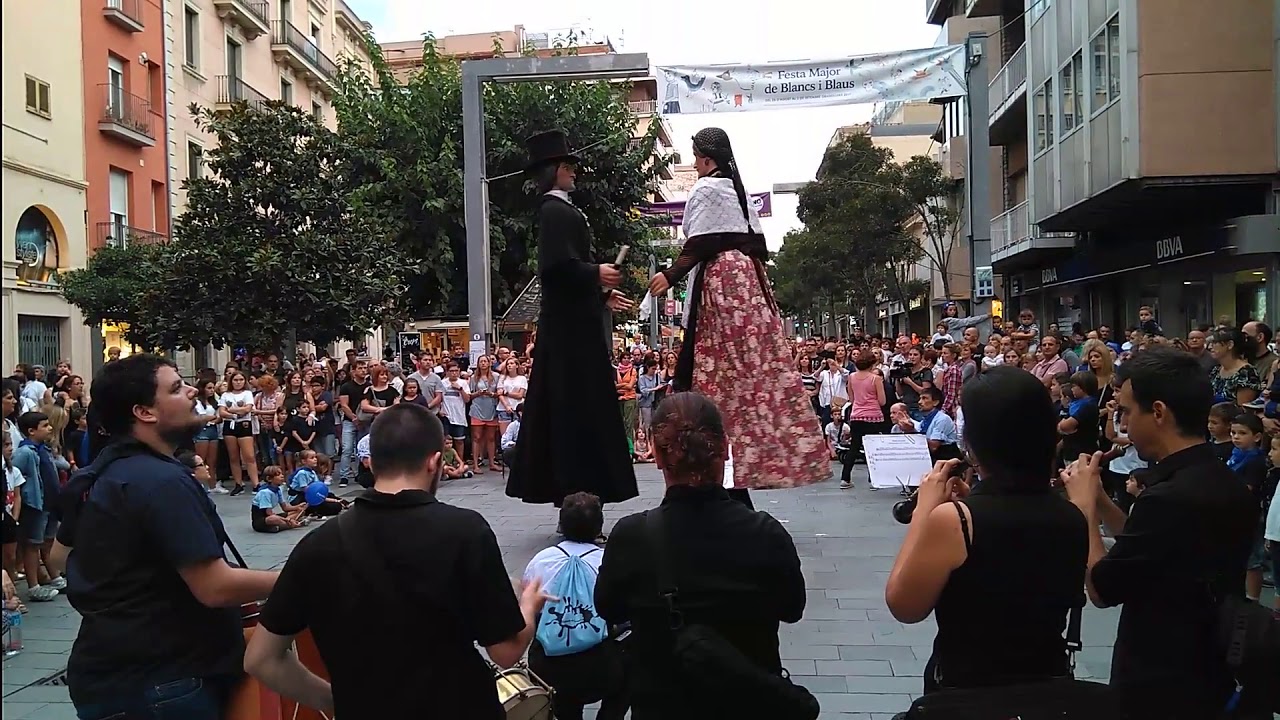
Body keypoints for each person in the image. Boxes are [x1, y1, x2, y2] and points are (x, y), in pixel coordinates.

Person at [244, 403, 552, 718]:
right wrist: (528, 604)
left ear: (373, 464)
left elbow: (260, 659)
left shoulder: (317, 544)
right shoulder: (465, 531)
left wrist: (333, 699)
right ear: (434, 462)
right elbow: (505, 651)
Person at [60, 354, 278, 719]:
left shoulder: (101, 472)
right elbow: (214, 587)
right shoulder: (163, 481)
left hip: (112, 675)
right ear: (145, 412)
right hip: (166, 684)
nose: (192, 391)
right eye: (176, 388)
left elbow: (57, 558)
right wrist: (303, 578)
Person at [1061, 347, 1260, 719]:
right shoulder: (1220, 480)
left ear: (1157, 412)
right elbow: (1147, 543)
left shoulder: (1169, 497)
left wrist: (1085, 509)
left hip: (1161, 677)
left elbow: (1102, 589)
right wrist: (1102, 500)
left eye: (1126, 412)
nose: (1123, 425)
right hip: (1213, 667)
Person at [594, 392, 806, 720]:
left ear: (658, 456)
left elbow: (608, 607)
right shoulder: (766, 533)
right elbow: (792, 609)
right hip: (748, 704)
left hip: (662, 704)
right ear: (725, 448)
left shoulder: (631, 536)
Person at [646, 127, 827, 505]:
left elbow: (701, 242)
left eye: (696, 156)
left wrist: (670, 275)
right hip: (747, 283)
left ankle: (716, 474)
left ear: (707, 159)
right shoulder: (738, 191)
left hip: (722, 284)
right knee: (751, 375)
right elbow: (753, 242)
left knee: (718, 374)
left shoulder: (707, 189)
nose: (694, 163)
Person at [885, 366, 1087, 694]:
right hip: (1046, 682)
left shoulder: (957, 521)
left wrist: (925, 512)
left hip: (969, 687)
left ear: (975, 442)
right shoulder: (1073, 513)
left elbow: (904, 605)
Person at [507, 130, 638, 508]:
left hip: (573, 330)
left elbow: (567, 275)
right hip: (569, 338)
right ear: (553, 171)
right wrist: (596, 274)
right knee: (575, 411)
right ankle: (577, 494)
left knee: (576, 410)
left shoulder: (562, 210)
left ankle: (580, 494)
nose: (573, 173)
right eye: (567, 166)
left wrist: (600, 292)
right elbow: (556, 270)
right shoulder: (553, 211)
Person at [524, 492, 628, 720]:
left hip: (549, 666)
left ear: (561, 524)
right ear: (599, 526)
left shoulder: (541, 560)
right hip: (600, 667)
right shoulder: (608, 560)